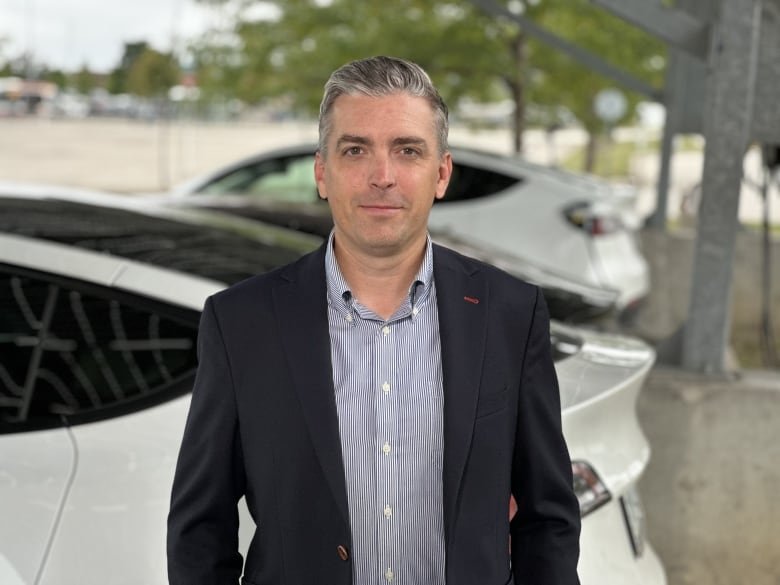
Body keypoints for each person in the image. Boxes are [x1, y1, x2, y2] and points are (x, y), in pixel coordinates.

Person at [167, 55, 580, 585]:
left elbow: (548, 518)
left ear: (441, 174)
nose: (382, 176)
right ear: (322, 172)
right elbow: (200, 528)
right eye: (356, 150)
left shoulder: (510, 314)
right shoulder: (243, 321)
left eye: (407, 151)